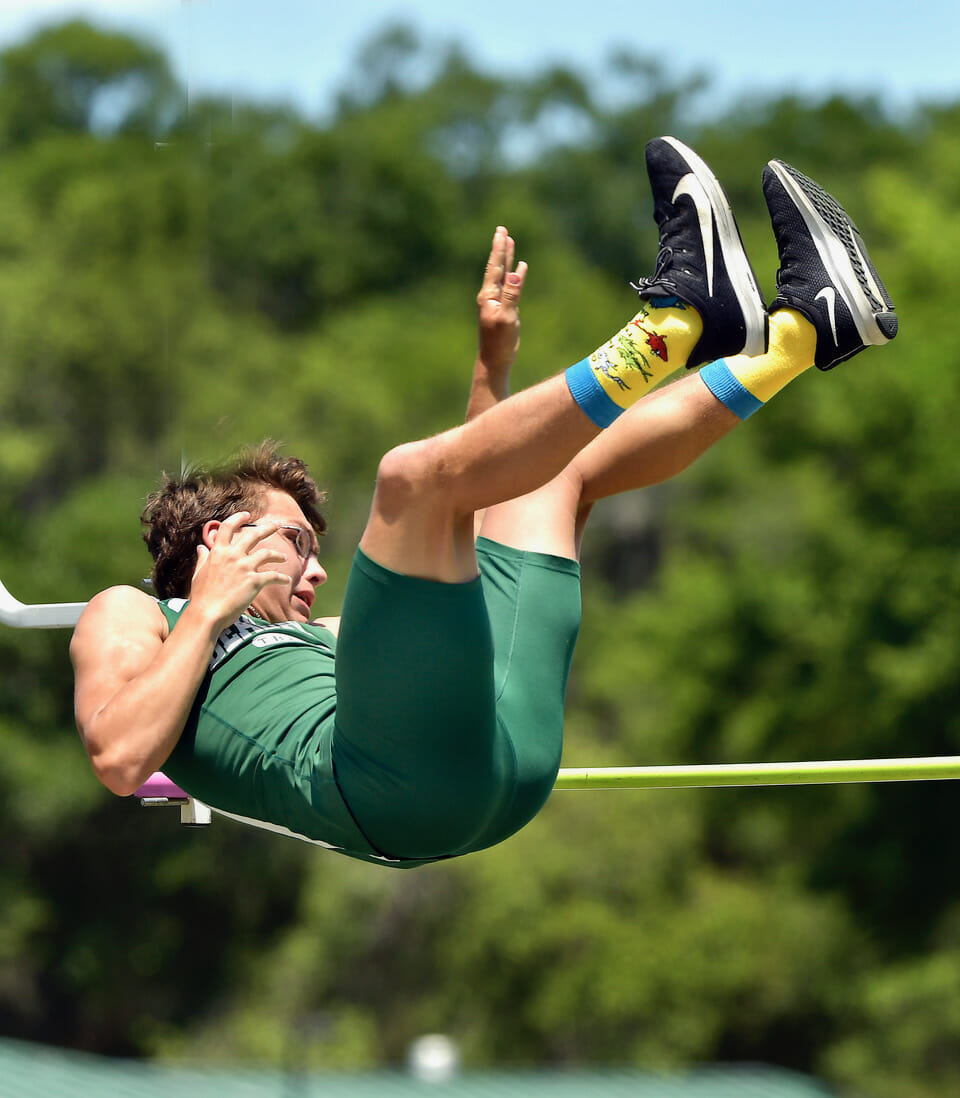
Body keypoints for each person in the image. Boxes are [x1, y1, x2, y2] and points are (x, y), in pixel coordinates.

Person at [71, 137, 897, 867]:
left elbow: (470, 523)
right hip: (395, 794)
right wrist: (210, 609)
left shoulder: (321, 643)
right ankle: (675, 324)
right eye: (298, 542)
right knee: (406, 481)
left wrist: (489, 371)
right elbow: (118, 758)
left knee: (552, 479)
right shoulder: (138, 617)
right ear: (219, 538)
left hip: (501, 765)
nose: (318, 570)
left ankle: (804, 333)